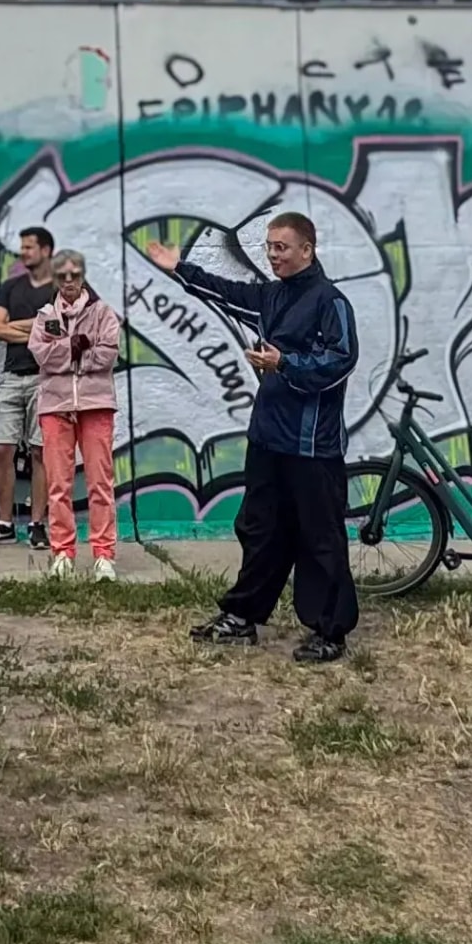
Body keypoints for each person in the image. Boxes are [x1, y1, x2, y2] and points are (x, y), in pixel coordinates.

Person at [149, 213, 360, 663]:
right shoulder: (271, 295)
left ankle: (330, 632)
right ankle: (241, 617)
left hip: (311, 447)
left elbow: (340, 360)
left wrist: (284, 363)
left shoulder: (330, 301)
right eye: (269, 247)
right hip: (268, 439)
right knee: (259, 530)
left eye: (281, 247)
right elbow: (226, 293)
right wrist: (179, 268)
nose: (272, 255)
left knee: (319, 538)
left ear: (307, 249)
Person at [27, 251, 123, 582]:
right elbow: (41, 356)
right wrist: (75, 347)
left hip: (96, 406)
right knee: (58, 485)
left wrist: (69, 355)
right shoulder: (45, 316)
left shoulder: (103, 312)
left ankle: (103, 554)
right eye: (62, 276)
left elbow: (108, 354)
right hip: (55, 407)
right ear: (55, 279)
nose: (69, 281)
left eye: (75, 274)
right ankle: (63, 552)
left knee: (100, 483)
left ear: (83, 276)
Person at [0, 226, 57, 545]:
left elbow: (61, 327)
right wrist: (37, 328)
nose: (23, 252)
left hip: (46, 378)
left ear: (46, 250)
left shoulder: (59, 287)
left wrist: (18, 328)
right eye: (23, 246)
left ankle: (37, 525)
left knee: (40, 452)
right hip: (11, 377)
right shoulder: (10, 287)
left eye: (29, 247)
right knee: (1, 449)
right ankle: (4, 525)